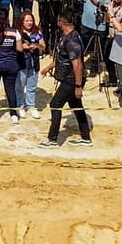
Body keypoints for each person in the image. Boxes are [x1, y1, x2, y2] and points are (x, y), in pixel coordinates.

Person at [40, 15, 93, 148]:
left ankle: (52, 140)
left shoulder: (72, 40)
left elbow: (77, 64)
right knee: (76, 105)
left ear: (61, 23)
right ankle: (86, 137)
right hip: (69, 78)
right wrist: (48, 68)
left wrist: (78, 86)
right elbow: (61, 57)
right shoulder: (66, 36)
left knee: (55, 104)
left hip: (71, 80)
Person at [77, 0, 112, 83]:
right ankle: (81, 68)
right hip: (85, 24)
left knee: (97, 49)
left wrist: (97, 3)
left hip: (99, 26)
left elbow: (107, 9)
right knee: (81, 47)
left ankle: (94, 68)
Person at [16, 11, 45, 118]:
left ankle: (31, 106)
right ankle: (20, 105)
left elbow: (43, 46)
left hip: (34, 63)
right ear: (22, 22)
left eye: (31, 20)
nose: (29, 23)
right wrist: (22, 47)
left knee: (31, 86)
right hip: (21, 63)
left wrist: (36, 46)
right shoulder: (18, 33)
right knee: (20, 86)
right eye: (27, 21)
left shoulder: (37, 32)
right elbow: (14, 47)